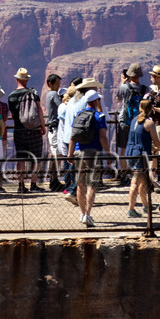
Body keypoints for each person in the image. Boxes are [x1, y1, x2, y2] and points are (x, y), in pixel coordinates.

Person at [68, 88, 108, 228]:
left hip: (79, 153)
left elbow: (73, 136)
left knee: (80, 184)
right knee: (92, 185)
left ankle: (82, 213)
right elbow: (103, 137)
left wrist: (70, 153)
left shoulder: (78, 114)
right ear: (96, 101)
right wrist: (108, 154)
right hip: (94, 153)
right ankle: (88, 215)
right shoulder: (99, 116)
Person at [7, 68, 44, 192]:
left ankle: (21, 185)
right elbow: (39, 110)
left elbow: (12, 115)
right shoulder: (33, 92)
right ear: (27, 80)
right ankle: (33, 184)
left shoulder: (11, 96)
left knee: (21, 158)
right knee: (36, 158)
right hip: (34, 129)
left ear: (16, 79)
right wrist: (43, 126)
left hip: (19, 130)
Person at [124, 94, 154, 219]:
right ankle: (131, 209)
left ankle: (146, 205)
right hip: (140, 155)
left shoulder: (134, 120)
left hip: (130, 152)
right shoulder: (149, 123)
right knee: (136, 182)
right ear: (151, 109)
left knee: (142, 180)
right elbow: (156, 141)